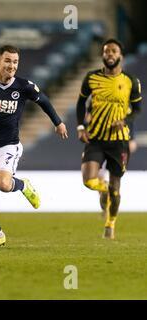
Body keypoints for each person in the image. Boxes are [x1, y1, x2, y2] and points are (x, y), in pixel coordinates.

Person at [0, 45, 68, 250]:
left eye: (15, 62)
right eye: (7, 61)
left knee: (3, 184)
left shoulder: (24, 86)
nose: (11, 65)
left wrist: (58, 123)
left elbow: (45, 101)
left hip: (8, 145)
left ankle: (23, 185)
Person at [76, 39, 142, 239]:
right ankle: (101, 188)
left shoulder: (131, 81)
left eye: (113, 51)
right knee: (89, 181)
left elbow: (137, 108)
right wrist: (81, 126)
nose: (110, 54)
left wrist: (125, 120)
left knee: (116, 187)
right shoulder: (91, 78)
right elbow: (80, 103)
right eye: (106, 51)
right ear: (103, 55)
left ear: (120, 55)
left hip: (119, 141)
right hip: (95, 138)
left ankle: (110, 224)